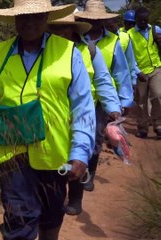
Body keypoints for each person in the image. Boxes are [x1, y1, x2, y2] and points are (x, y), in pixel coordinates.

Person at [0, 1, 96, 239]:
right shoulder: (0, 54)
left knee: (51, 217)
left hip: (55, 157)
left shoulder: (69, 54)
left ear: (46, 17)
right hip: (11, 156)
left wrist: (80, 153)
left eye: (36, 17)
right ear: (14, 19)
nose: (28, 23)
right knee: (20, 221)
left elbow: (83, 108)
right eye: (23, 17)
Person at [48, 13, 121, 216]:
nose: (59, 32)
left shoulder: (88, 50)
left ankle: (76, 197)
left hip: (86, 111)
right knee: (58, 154)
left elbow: (103, 80)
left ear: (73, 29)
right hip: (55, 112)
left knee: (81, 152)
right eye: (55, 28)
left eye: (64, 28)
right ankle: (58, 189)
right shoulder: (46, 50)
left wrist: (113, 107)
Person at [74, 0, 134, 192]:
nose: (94, 23)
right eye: (90, 19)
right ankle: (73, 175)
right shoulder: (75, 40)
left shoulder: (113, 41)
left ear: (103, 21)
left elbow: (121, 72)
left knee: (96, 138)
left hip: (100, 99)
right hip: (77, 99)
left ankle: (87, 175)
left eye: (98, 20)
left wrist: (121, 104)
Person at [128, 7, 161, 139]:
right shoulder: (130, 35)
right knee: (141, 101)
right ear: (135, 20)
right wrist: (137, 71)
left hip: (155, 68)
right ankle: (142, 128)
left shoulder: (155, 30)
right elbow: (129, 56)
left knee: (158, 95)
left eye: (145, 19)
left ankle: (158, 124)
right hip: (140, 72)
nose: (143, 22)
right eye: (140, 20)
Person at [105, 16, 142, 87]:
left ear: (116, 24)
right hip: (108, 81)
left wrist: (133, 80)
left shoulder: (125, 37)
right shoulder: (102, 40)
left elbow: (131, 61)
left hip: (123, 80)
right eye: (108, 27)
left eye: (112, 25)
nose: (110, 28)